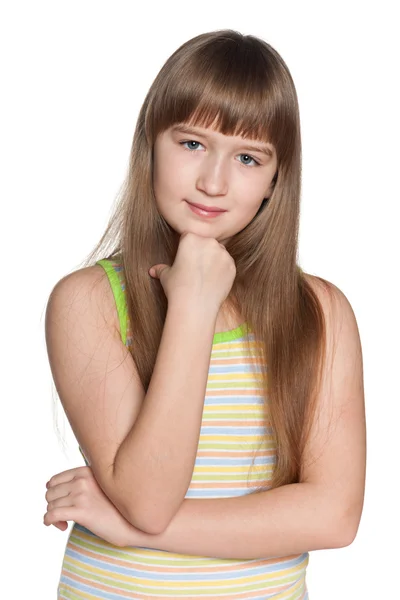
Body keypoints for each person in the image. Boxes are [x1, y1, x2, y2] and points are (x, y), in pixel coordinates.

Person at [43, 29, 366, 600]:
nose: (213, 182)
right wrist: (191, 305)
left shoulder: (320, 313)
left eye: (247, 157)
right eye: (192, 144)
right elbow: (148, 494)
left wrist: (135, 531)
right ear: (150, 143)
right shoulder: (89, 301)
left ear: (275, 179)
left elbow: (333, 515)